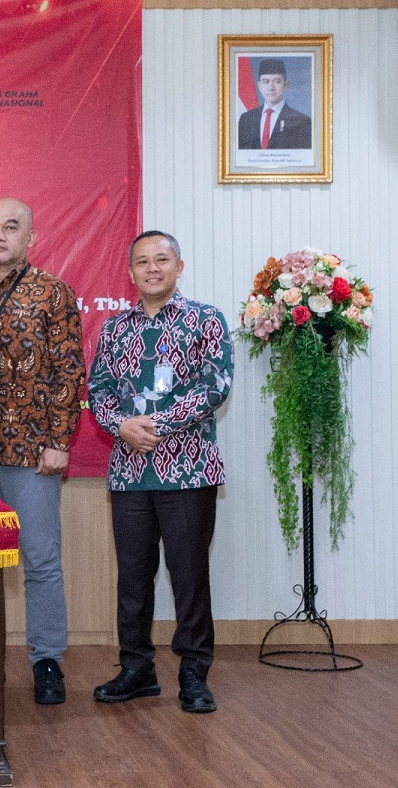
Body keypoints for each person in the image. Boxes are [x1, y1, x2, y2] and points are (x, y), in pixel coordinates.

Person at [88, 230, 233, 714]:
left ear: (179, 266)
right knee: (133, 576)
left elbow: (214, 386)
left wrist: (156, 425)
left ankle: (194, 672)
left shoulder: (205, 320)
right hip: (129, 474)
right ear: (130, 272)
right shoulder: (114, 329)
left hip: (188, 470)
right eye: (143, 261)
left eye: (162, 260)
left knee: (189, 575)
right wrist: (121, 426)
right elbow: (98, 390)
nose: (152, 268)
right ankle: (137, 668)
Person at [0, 197, 84, 705]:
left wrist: (59, 442)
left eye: (11, 227)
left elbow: (69, 370)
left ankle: (47, 661)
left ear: (30, 238)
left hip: (32, 451)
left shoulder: (53, 292)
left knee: (40, 559)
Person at [237, 58, 312, 150]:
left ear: (285, 85)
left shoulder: (302, 122)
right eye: (266, 82)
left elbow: (303, 156)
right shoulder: (246, 119)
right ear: (259, 86)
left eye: (277, 81)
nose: (271, 87)